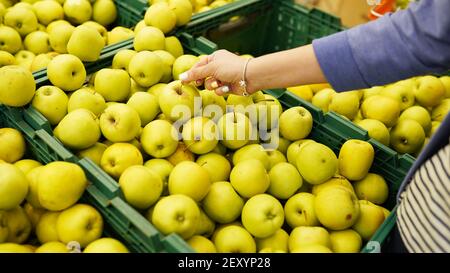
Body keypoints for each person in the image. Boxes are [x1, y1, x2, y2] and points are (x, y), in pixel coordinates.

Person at [180, 0, 450, 253]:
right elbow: (422, 34)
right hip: (427, 216)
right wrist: (248, 72)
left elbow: (419, 35)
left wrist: (249, 71)